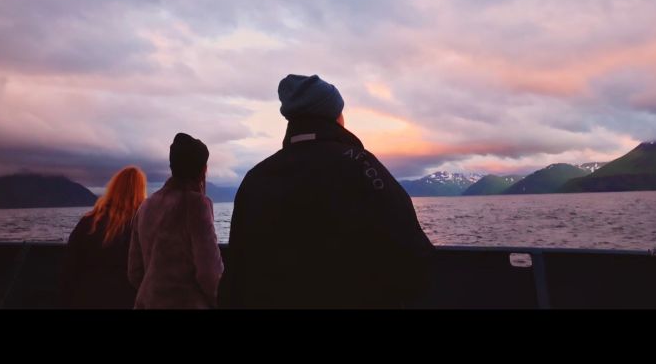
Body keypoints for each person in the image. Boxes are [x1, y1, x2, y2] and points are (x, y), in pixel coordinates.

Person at [218, 74, 434, 309]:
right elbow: (414, 255)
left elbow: (237, 271)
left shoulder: (256, 178)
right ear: (335, 117)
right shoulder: (362, 166)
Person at [128, 133, 224, 309]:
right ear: (202, 170)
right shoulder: (196, 205)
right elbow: (210, 274)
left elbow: (134, 271)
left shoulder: (146, 206)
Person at [61, 165, 146, 308]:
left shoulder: (89, 221)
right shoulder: (141, 224)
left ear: (113, 188)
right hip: (127, 300)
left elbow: (69, 267)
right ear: (140, 192)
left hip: (86, 298)